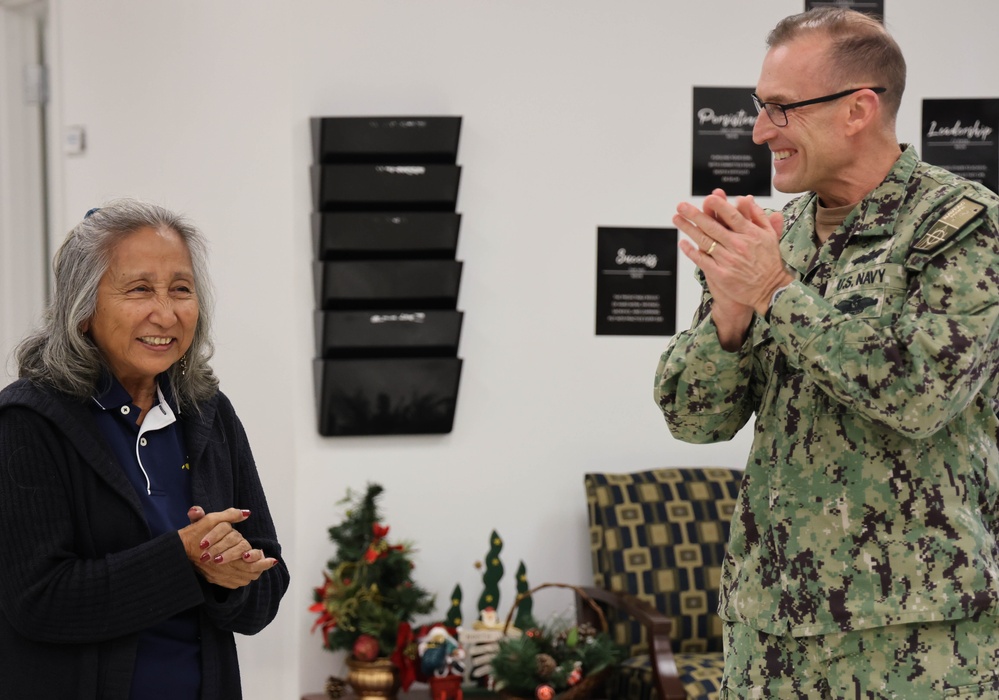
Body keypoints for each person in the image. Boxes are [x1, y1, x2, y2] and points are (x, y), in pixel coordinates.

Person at [654, 8, 999, 698]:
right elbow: (693, 419)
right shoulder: (773, 237)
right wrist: (728, 311)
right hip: (765, 630)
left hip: (910, 638)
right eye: (759, 108)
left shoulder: (960, 224)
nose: (758, 131)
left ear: (856, 110)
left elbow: (921, 392)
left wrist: (774, 292)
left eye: (779, 109)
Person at [0, 199, 290, 699]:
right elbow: (39, 601)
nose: (167, 311)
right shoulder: (28, 421)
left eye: (182, 289)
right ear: (83, 309)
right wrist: (185, 558)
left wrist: (232, 572)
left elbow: (266, 587)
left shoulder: (209, 413)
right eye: (139, 289)